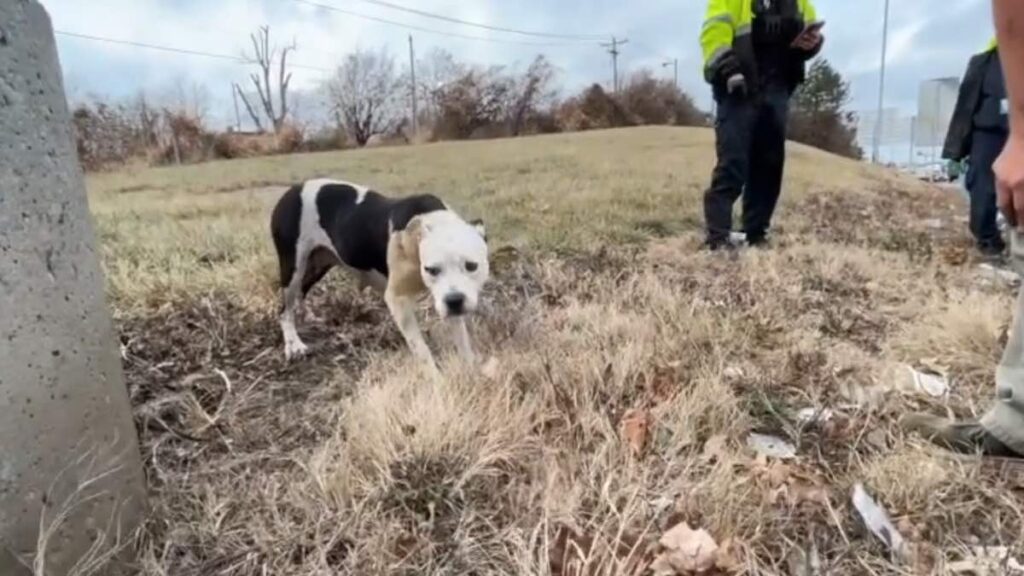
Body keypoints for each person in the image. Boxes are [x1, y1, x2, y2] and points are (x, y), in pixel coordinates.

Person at [902, 0, 1024, 458]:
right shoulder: (986, 61)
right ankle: (1018, 427)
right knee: (987, 202)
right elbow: (966, 107)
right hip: (990, 138)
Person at [700, 0, 824, 251]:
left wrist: (812, 44)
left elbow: (809, 35)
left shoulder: (799, 2)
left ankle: (756, 233)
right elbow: (713, 33)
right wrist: (727, 66)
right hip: (738, 84)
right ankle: (718, 236)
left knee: (769, 165)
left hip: (776, 86)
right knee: (733, 162)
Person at [943, 38, 1008, 259]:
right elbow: (965, 107)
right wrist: (955, 154)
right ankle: (988, 241)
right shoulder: (984, 63)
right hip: (987, 134)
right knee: (982, 188)